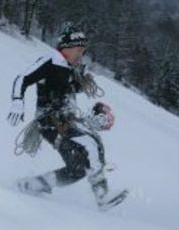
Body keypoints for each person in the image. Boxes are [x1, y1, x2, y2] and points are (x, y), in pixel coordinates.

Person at [7, 22, 125, 209]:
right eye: (79, 49)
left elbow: (64, 91)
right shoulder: (51, 61)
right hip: (51, 120)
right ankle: (102, 196)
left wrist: (81, 82)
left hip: (65, 119)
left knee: (78, 168)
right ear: (67, 47)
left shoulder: (70, 67)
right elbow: (22, 78)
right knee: (91, 144)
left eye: (83, 50)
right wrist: (17, 101)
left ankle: (33, 185)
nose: (81, 53)